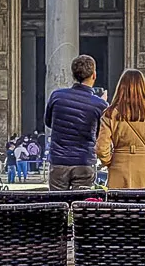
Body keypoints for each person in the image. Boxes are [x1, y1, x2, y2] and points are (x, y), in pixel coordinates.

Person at [95, 68, 145, 189]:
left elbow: (101, 148)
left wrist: (109, 162)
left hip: (119, 166)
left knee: (119, 206)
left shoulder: (110, 113)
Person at [43, 54, 108, 190]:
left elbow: (49, 123)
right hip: (84, 161)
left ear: (73, 75)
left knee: (58, 205)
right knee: (81, 206)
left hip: (58, 160)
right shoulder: (99, 104)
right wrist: (103, 103)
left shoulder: (57, 96)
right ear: (94, 75)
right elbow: (99, 135)